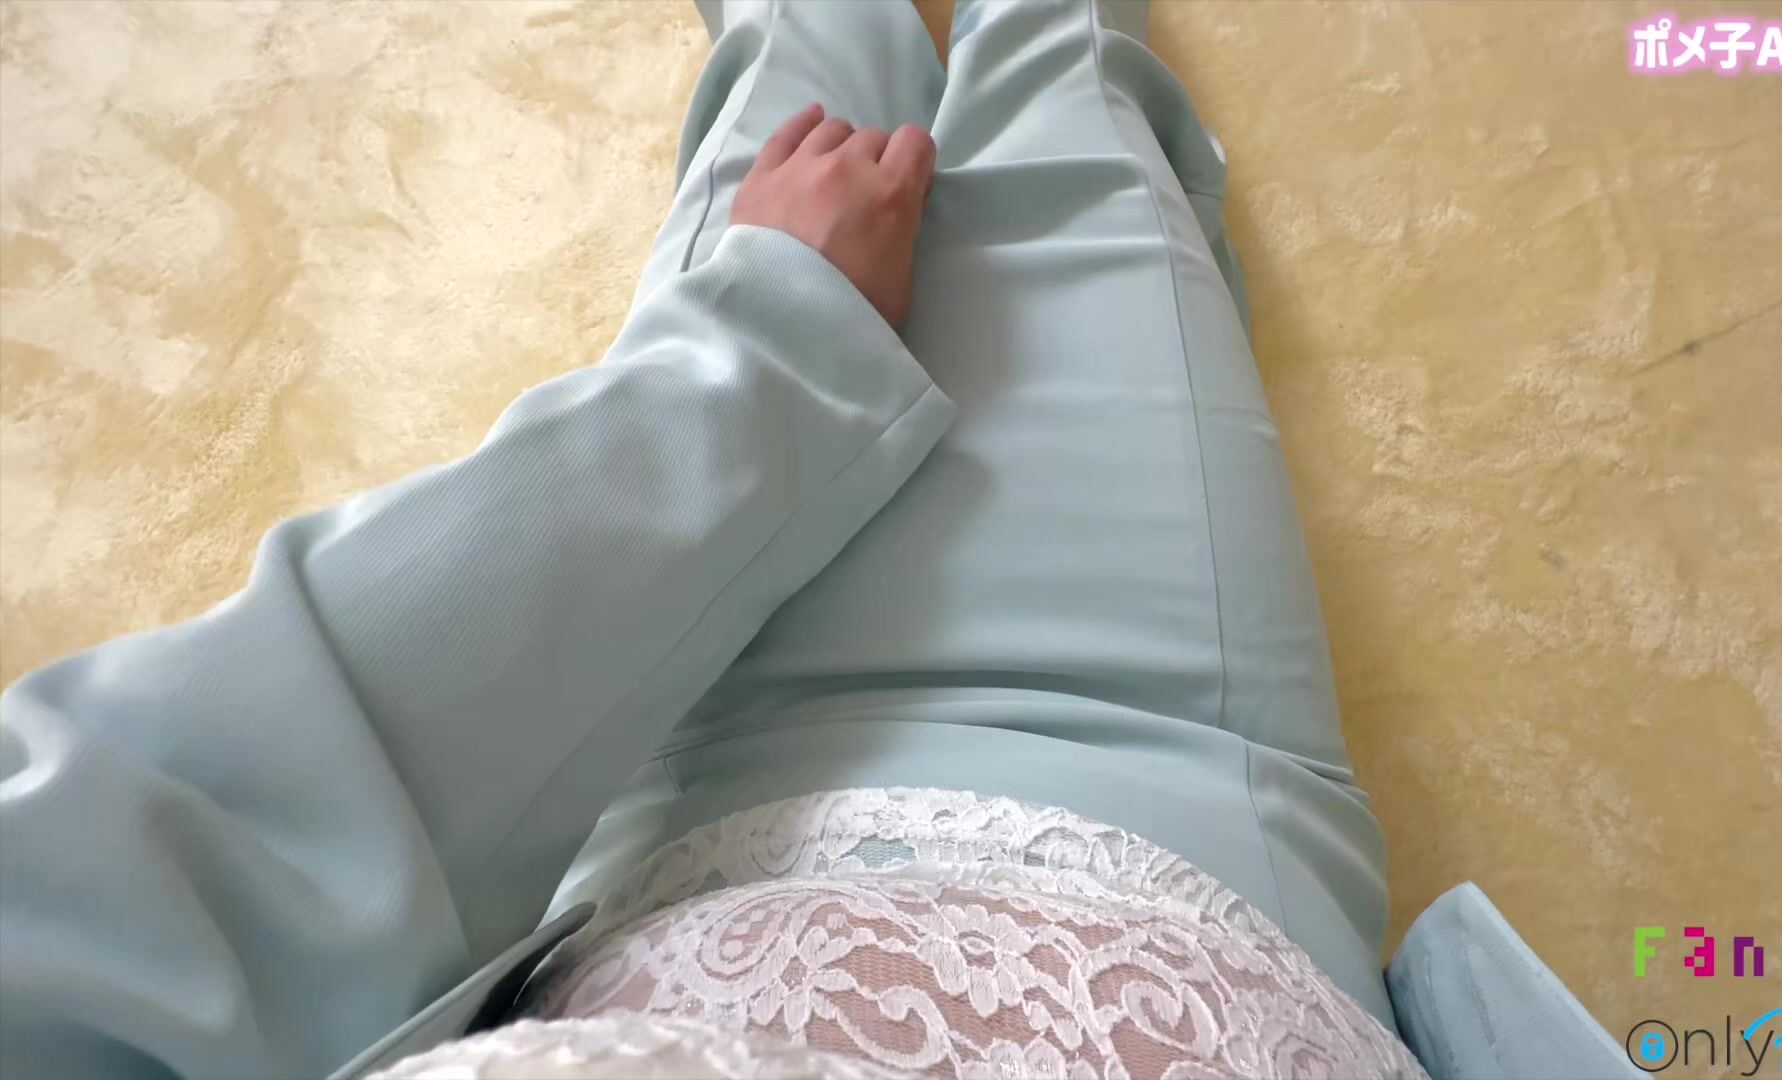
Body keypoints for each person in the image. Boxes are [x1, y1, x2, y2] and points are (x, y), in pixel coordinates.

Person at [0, 1, 1425, 1076]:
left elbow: (205, 828)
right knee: (1063, 74)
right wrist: (765, 339)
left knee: (808, 82)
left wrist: (774, 334)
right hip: (1144, 798)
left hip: (670, 783)